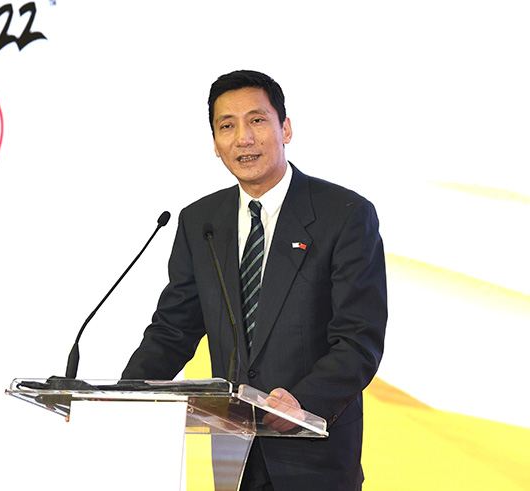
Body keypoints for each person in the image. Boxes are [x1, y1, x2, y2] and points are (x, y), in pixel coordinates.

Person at [121, 70, 387, 490]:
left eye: (257, 121)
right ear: (215, 143)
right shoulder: (200, 221)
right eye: (227, 126)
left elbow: (359, 340)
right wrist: (122, 396)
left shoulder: (345, 214)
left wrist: (303, 401)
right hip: (234, 456)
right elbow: (173, 331)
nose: (243, 138)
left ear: (286, 129)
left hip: (313, 458)